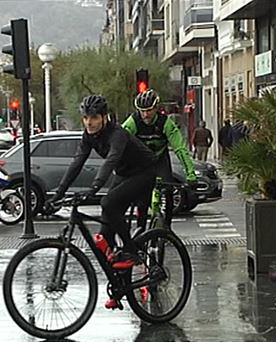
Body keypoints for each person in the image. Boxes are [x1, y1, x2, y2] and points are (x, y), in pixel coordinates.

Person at [46, 95, 157, 270]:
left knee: (108, 202)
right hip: (124, 173)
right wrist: (58, 194)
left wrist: (95, 187)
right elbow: (77, 163)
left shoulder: (117, 134)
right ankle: (119, 288)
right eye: (85, 118)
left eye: (94, 118)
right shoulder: (89, 136)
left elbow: (111, 160)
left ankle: (132, 252)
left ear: (105, 118)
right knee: (105, 236)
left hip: (144, 172)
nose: (89, 123)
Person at [121, 89, 197, 229]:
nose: (145, 114)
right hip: (141, 162)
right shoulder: (133, 121)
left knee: (168, 190)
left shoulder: (165, 123)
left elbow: (180, 149)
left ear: (156, 108)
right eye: (142, 111)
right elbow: (120, 143)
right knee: (142, 198)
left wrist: (190, 173)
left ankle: (167, 227)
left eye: (149, 110)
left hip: (160, 160)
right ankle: (141, 228)